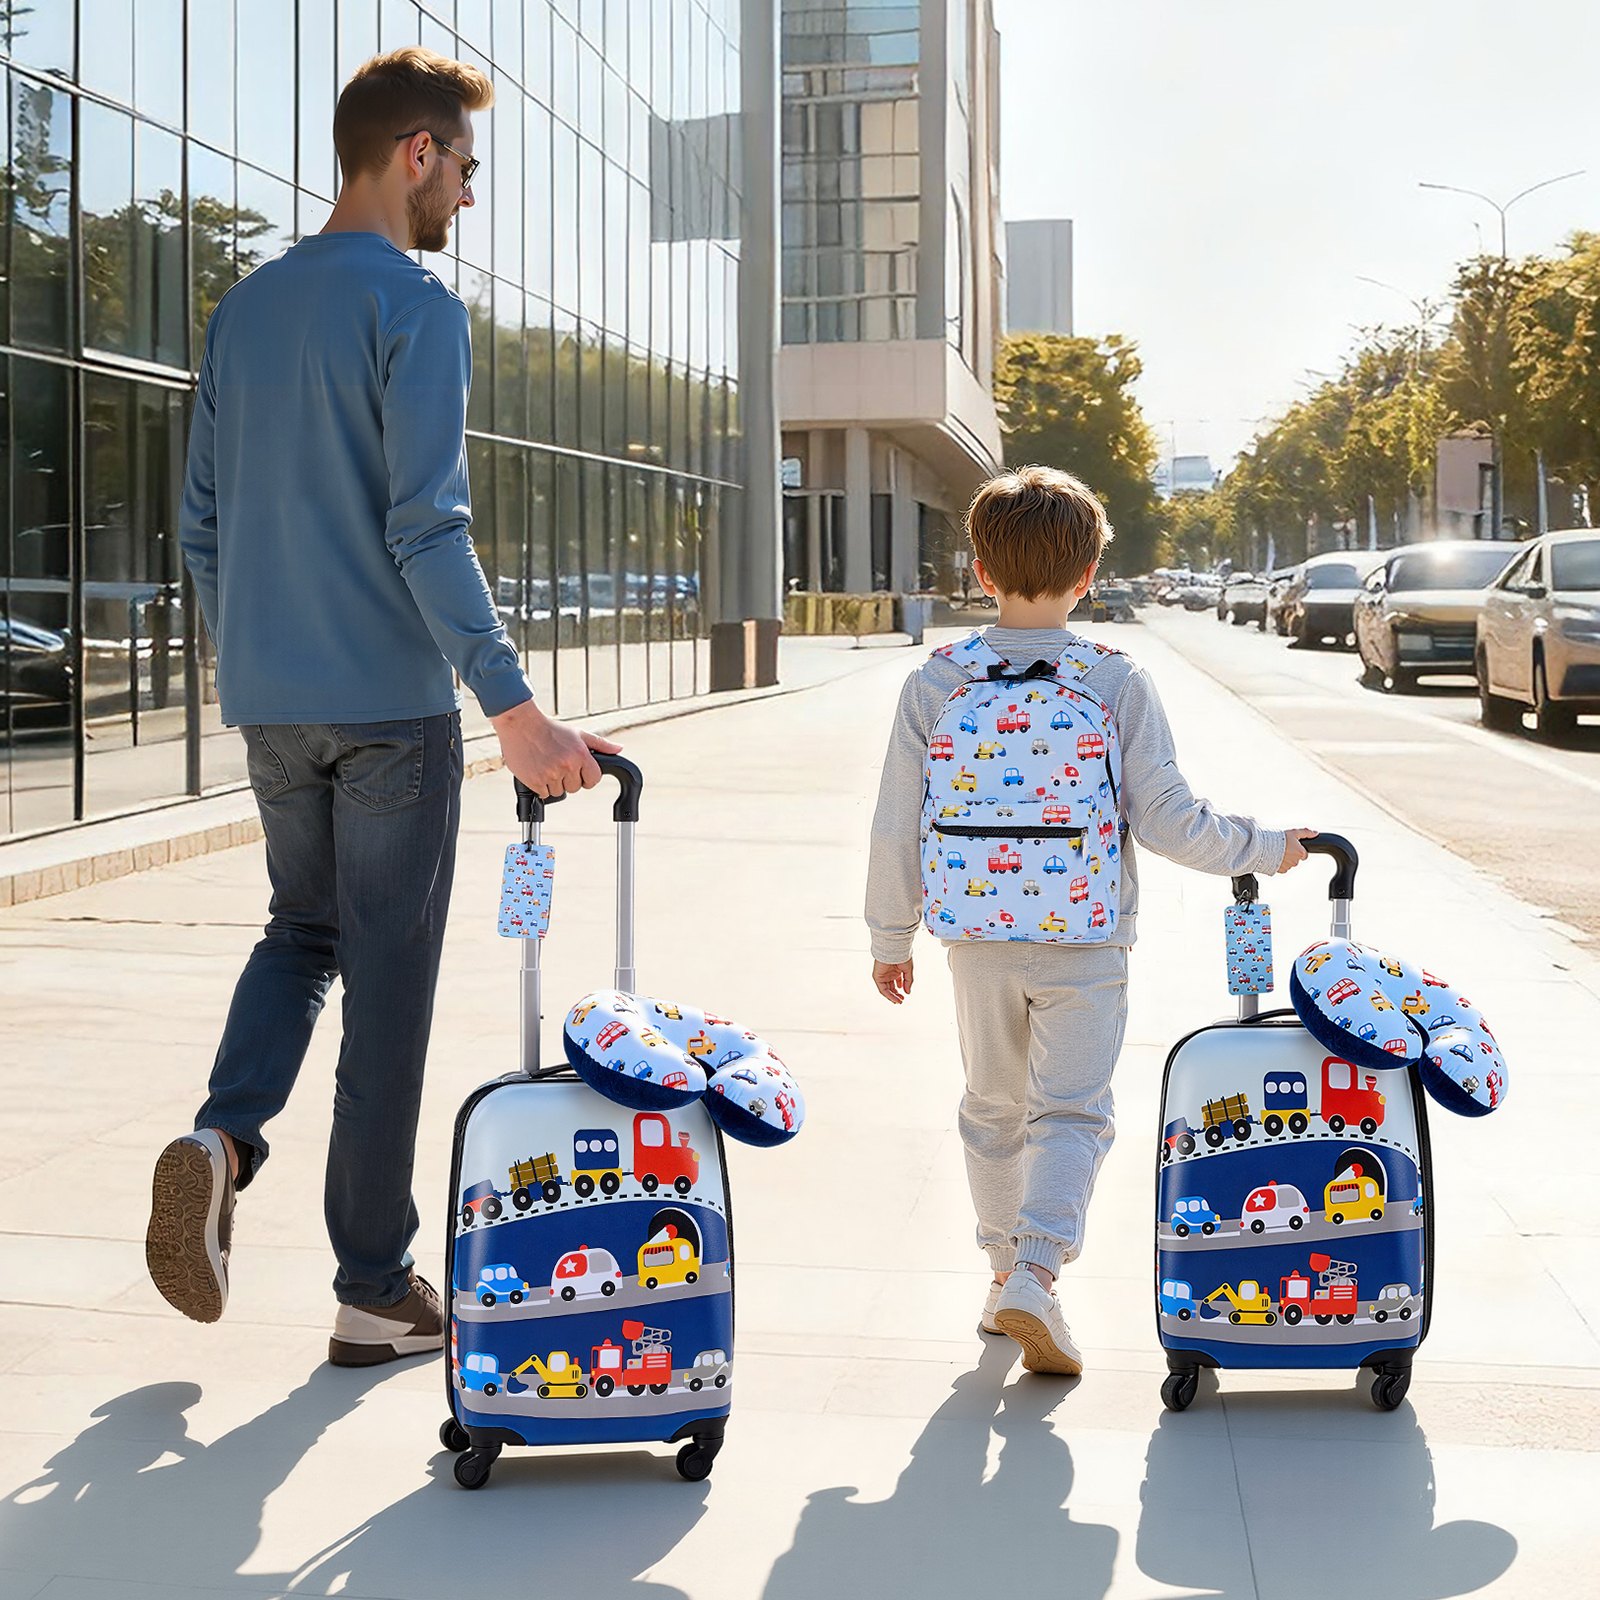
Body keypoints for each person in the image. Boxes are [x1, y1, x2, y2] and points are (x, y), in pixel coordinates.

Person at [147, 48, 618, 1366]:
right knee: (389, 987)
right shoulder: (416, 308)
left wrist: (258, 654)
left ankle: (222, 1138)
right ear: (416, 152)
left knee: (300, 932)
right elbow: (427, 527)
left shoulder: (245, 310)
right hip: (391, 714)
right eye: (464, 167)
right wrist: (515, 708)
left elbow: (200, 526)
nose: (467, 194)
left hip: (272, 701)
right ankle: (372, 1286)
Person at [865, 465, 1315, 1376]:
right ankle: (1036, 1271)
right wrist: (1266, 847)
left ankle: (1002, 1275)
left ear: (980, 571)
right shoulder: (1113, 679)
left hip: (975, 941)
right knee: (1072, 1112)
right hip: (1087, 938)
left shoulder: (937, 682)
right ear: (1089, 576)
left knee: (992, 1108)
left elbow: (895, 821)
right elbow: (1168, 820)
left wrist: (889, 936)